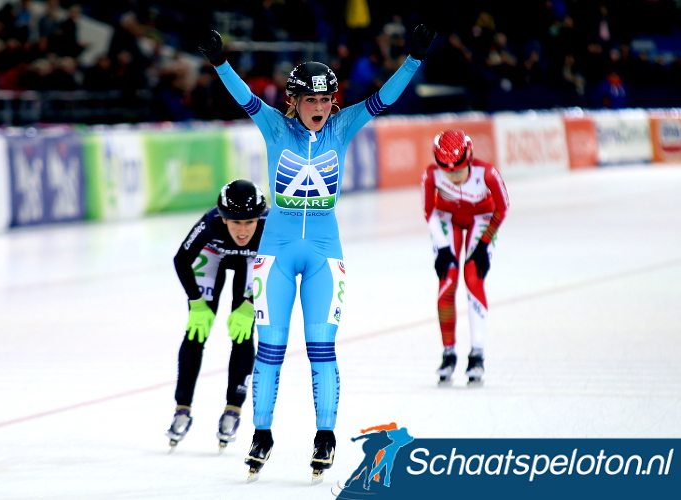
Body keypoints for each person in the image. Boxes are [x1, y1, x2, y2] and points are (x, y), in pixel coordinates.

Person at [198, 23, 436, 477]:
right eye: (312, 100)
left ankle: (324, 436)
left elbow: (383, 99)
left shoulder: (343, 126)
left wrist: (413, 60)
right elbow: (243, 96)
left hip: (326, 251)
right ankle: (262, 433)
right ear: (294, 101)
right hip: (277, 251)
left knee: (321, 348)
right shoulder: (274, 126)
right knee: (270, 349)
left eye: (326, 100)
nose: (320, 109)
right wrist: (220, 62)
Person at [166, 179, 268, 451]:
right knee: (196, 330)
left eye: (250, 222)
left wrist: (249, 303)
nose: (243, 230)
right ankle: (182, 408)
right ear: (223, 219)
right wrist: (196, 302)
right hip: (214, 254)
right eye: (235, 222)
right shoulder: (210, 223)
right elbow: (181, 260)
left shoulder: (271, 226)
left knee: (242, 332)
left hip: (253, 260)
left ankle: (233, 410)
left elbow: (277, 269)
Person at [421, 129, 509, 384]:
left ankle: (477, 354)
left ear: (469, 160)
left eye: (458, 170)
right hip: (447, 219)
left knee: (473, 278)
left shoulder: (487, 173)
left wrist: (483, 245)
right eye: (447, 172)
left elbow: (502, 208)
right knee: (447, 282)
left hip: (482, 219)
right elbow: (429, 211)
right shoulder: (431, 174)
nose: (453, 176)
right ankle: (448, 353)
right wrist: (443, 249)